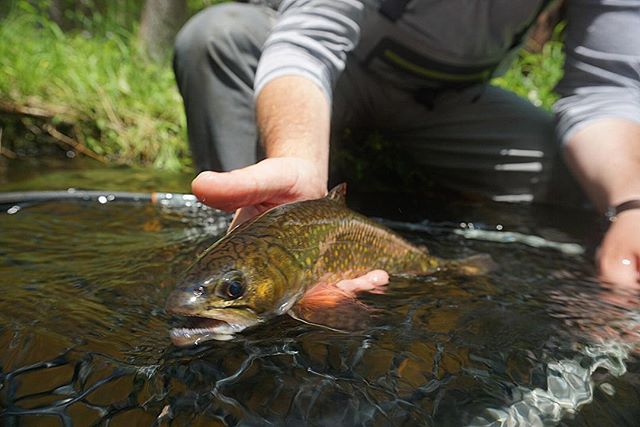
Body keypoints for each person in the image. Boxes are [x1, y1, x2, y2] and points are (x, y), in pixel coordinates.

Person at [172, 0, 640, 289]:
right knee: (217, 37)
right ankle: (237, 241)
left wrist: (630, 206)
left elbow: (604, 88)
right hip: (339, 73)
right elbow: (308, 41)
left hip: (451, 101)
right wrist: (297, 157)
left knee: (582, 183)